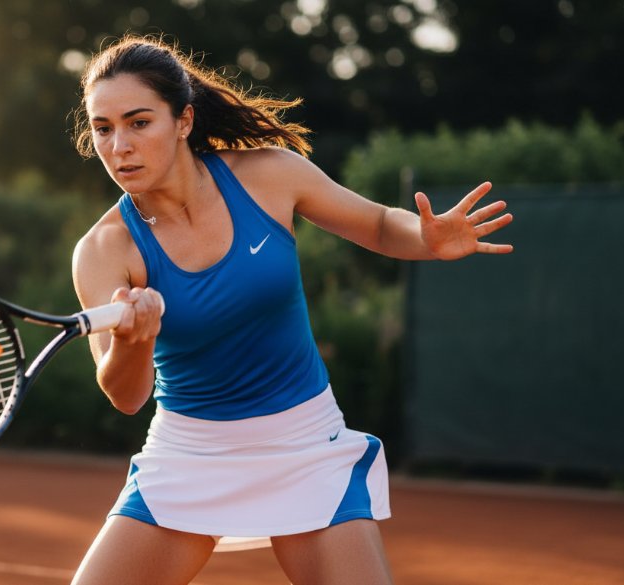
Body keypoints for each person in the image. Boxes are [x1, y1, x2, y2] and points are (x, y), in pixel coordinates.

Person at [69, 35, 512, 585]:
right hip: (189, 455)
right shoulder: (103, 251)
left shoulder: (268, 175)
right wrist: (136, 341)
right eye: (103, 128)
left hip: (306, 444)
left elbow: (376, 224)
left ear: (183, 121)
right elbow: (125, 395)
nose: (119, 147)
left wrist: (426, 238)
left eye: (139, 123)